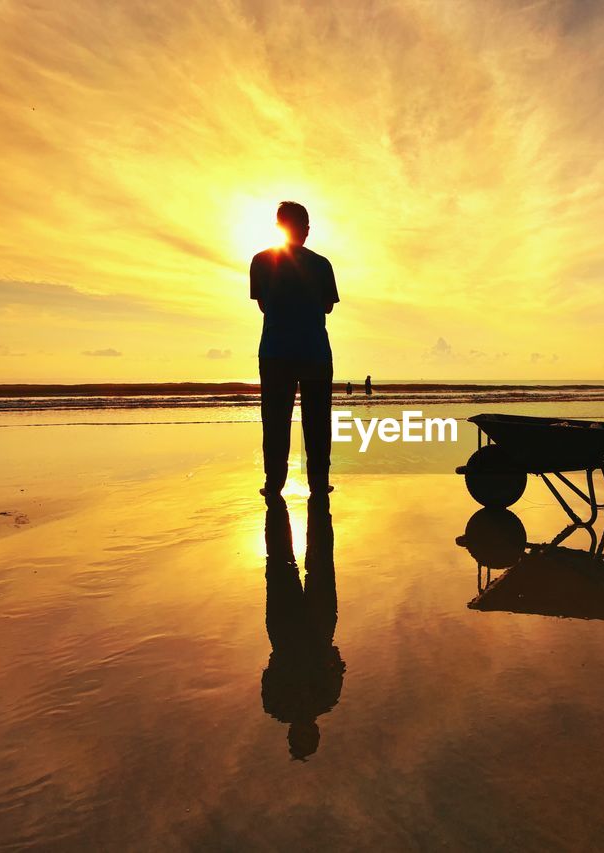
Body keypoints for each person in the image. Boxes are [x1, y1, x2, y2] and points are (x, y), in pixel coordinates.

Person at [251, 201, 338, 499]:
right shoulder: (322, 264)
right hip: (314, 352)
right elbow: (327, 307)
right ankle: (317, 481)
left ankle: (274, 483)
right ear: (307, 230)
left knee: (275, 420)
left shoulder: (261, 260)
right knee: (317, 422)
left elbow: (263, 305)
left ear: (278, 227)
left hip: (276, 352)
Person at [260, 500, 342, 760]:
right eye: (308, 737)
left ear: (292, 734)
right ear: (316, 731)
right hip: (317, 630)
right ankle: (314, 504)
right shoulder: (327, 699)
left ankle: (280, 505)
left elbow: (268, 674)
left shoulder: (276, 707)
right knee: (320, 564)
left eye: (300, 737)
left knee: (280, 564)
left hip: (286, 634)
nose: (304, 731)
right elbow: (339, 663)